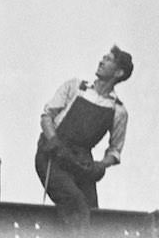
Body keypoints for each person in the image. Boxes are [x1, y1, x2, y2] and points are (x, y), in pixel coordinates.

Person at [36, 47, 133, 227]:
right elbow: (46, 117)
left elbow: (115, 150)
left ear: (119, 72)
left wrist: (100, 165)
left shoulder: (118, 111)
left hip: (81, 163)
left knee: (93, 213)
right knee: (76, 204)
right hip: (52, 156)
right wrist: (55, 143)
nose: (102, 61)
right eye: (103, 57)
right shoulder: (75, 87)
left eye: (109, 59)